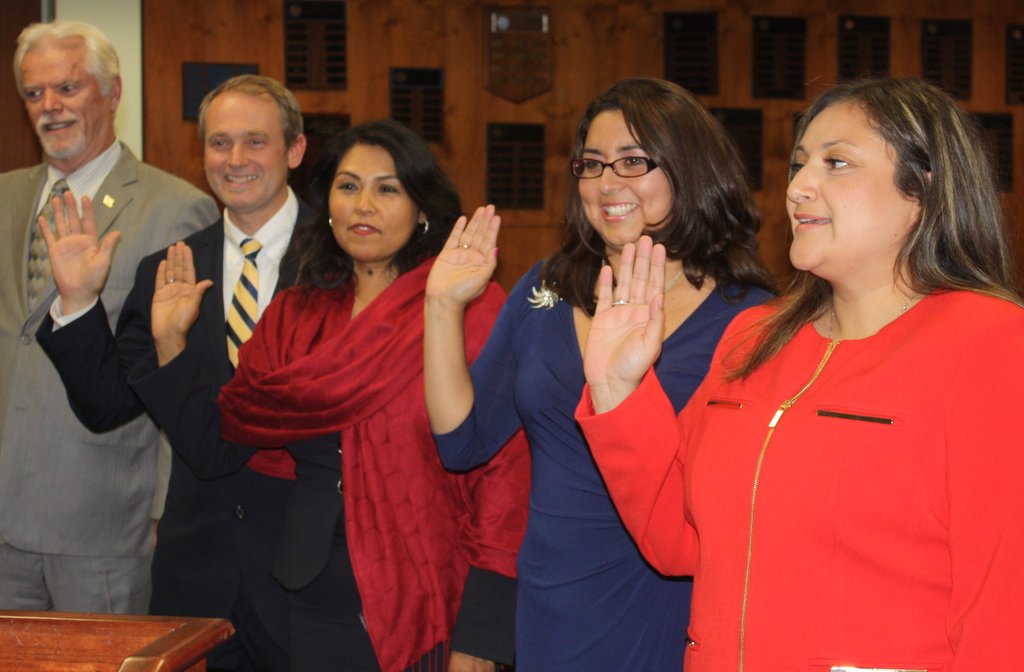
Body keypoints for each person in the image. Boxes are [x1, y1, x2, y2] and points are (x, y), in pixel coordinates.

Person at [577, 77, 1024, 670]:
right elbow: (678, 539)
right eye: (798, 164)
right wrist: (617, 389)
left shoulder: (990, 342)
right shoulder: (755, 337)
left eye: (836, 162)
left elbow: (1004, 605)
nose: (797, 187)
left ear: (923, 189)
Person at [424, 78, 775, 670]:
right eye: (591, 164)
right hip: (553, 603)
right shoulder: (546, 287)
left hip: (671, 599)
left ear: (690, 169)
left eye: (633, 161)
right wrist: (441, 307)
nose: (607, 183)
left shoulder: (752, 320)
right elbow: (463, 442)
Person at [155, 119, 530, 672]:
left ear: (422, 209)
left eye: (388, 189)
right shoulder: (297, 312)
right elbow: (220, 442)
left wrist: (482, 637)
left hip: (430, 595)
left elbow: (504, 482)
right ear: (326, 203)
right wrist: (171, 342)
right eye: (348, 186)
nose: (363, 205)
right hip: (309, 594)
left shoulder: (467, 306)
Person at [36, 74, 311, 671]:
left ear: (295, 150)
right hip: (198, 578)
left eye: (255, 142)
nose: (235, 160)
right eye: (219, 143)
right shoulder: (168, 268)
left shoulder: (341, 262)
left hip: (310, 575)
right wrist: (79, 301)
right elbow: (107, 405)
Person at [0, 19, 217, 614]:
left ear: (113, 92)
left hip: (105, 523)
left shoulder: (177, 209)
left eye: (67, 88)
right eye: (34, 93)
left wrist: (166, 507)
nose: (50, 106)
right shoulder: (5, 197)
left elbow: (183, 371)